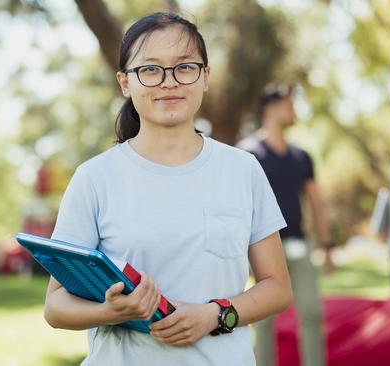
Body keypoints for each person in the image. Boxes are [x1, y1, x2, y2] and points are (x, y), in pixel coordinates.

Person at [43, 12, 292, 366]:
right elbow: (55, 306)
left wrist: (214, 314)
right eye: (150, 69)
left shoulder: (243, 170)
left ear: (205, 77)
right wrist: (110, 311)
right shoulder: (95, 178)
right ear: (125, 83)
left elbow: (277, 287)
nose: (169, 82)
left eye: (185, 67)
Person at [238, 83, 334, 366]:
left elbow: (316, 203)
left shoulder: (302, 157)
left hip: (300, 245)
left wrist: (326, 245)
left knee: (312, 313)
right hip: (262, 250)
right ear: (271, 109)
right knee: (264, 321)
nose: (294, 110)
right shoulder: (248, 153)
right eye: (289, 104)